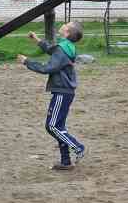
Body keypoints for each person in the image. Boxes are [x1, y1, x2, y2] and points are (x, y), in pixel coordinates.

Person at [18, 22, 86, 170]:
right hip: (65, 91)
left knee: (52, 126)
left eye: (66, 25)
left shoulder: (62, 50)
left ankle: (78, 147)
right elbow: (51, 50)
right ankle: (65, 162)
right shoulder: (65, 46)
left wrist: (27, 62)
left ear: (67, 33)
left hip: (62, 91)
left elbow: (48, 68)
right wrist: (37, 40)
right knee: (59, 127)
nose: (63, 24)